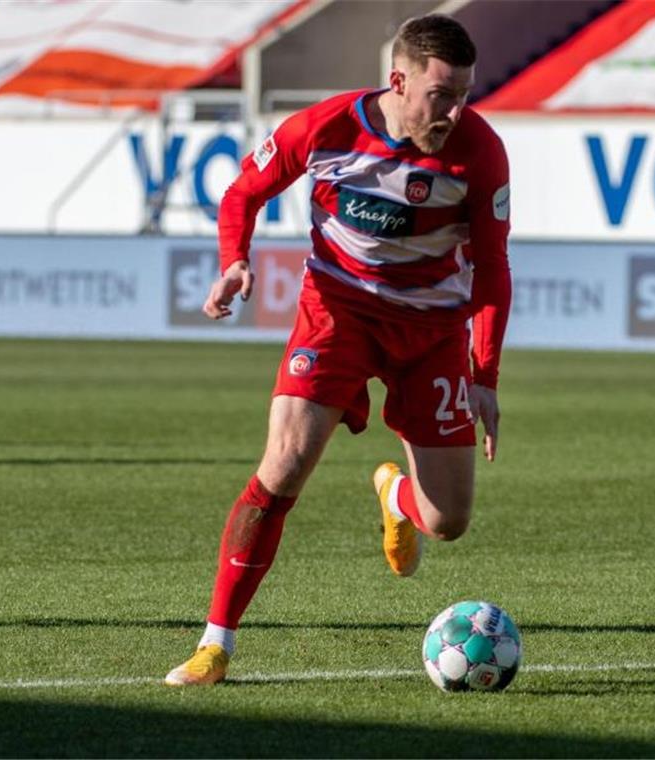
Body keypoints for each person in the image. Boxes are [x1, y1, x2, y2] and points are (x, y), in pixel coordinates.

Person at [165, 13, 511, 686]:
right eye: (440, 93)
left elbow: (493, 268)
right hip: (337, 315)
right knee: (284, 464)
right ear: (398, 80)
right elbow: (244, 192)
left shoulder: (479, 151)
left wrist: (485, 371)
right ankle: (216, 643)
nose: (453, 109)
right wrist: (235, 260)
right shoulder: (326, 128)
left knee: (448, 522)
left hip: (433, 332)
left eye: (464, 93)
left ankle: (396, 497)